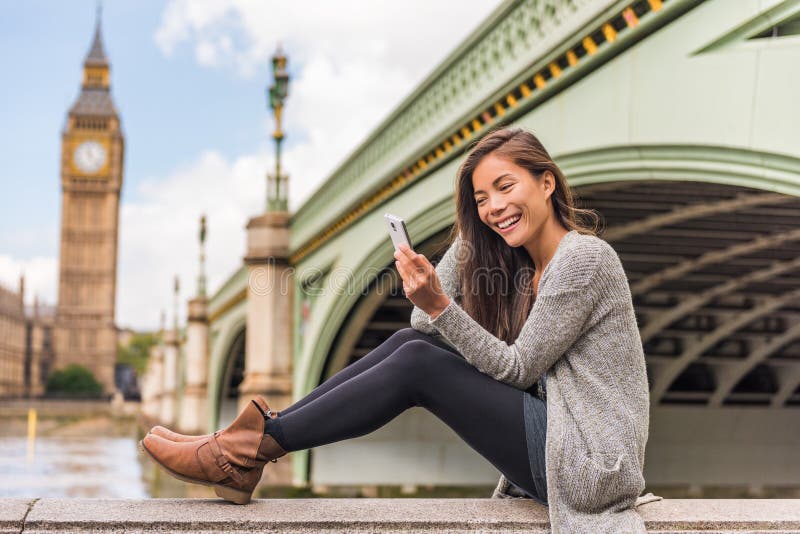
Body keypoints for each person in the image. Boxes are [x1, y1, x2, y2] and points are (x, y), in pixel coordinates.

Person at [141, 127, 657, 532]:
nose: (495, 206)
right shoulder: (520, 268)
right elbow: (420, 326)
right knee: (411, 345)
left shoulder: (584, 259)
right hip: (560, 441)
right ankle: (250, 443)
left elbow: (517, 368)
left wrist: (439, 302)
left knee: (417, 363)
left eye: (506, 187)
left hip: (592, 463)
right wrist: (473, 238)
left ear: (546, 182)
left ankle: (245, 451)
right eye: (482, 199)